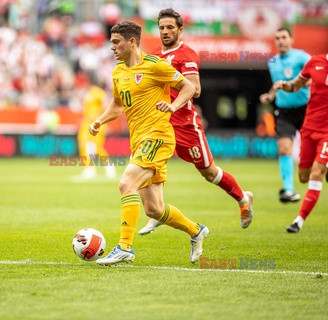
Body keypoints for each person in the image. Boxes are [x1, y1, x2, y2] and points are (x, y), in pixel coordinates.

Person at [90, 20, 209, 266]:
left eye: (116, 42)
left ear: (131, 41)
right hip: (139, 140)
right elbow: (117, 105)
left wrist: (174, 106)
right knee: (154, 209)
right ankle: (196, 230)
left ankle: (125, 247)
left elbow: (189, 87)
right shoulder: (118, 72)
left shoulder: (156, 66)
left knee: (126, 183)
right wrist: (100, 121)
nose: (111, 47)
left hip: (158, 136)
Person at [139, 8, 253, 235]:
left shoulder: (186, 54)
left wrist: (171, 96)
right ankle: (157, 211)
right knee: (150, 164)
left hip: (185, 125)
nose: (165, 31)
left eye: (170, 27)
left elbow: (196, 89)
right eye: (161, 27)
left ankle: (242, 198)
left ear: (180, 30)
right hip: (161, 124)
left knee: (209, 173)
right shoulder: (152, 57)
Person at [273, 53, 328, 233]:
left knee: (316, 174)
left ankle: (298, 221)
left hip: (326, 134)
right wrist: (284, 85)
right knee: (303, 177)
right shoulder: (315, 62)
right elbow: (296, 85)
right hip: (309, 129)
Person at [259, 27, 311, 203]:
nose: (280, 41)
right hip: (284, 112)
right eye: (277, 38)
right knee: (283, 149)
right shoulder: (272, 62)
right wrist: (270, 96)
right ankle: (288, 190)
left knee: (314, 150)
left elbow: (314, 78)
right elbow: (277, 84)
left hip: (306, 109)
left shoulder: (302, 57)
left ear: (291, 39)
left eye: (283, 37)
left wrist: (295, 85)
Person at [77, 73, 116, 179]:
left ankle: (109, 166)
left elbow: (106, 106)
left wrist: (100, 119)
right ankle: (89, 169)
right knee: (84, 144)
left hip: (97, 123)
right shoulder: (88, 93)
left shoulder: (99, 92)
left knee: (97, 147)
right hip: (87, 123)